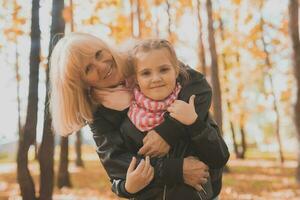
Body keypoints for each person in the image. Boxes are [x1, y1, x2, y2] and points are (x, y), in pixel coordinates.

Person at [49, 32, 229, 200]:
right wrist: (177, 170)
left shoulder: (144, 58)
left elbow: (198, 86)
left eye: (98, 54)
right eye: (89, 68)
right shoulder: (99, 115)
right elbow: (118, 165)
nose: (102, 66)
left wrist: (168, 132)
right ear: (82, 83)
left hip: (204, 188)